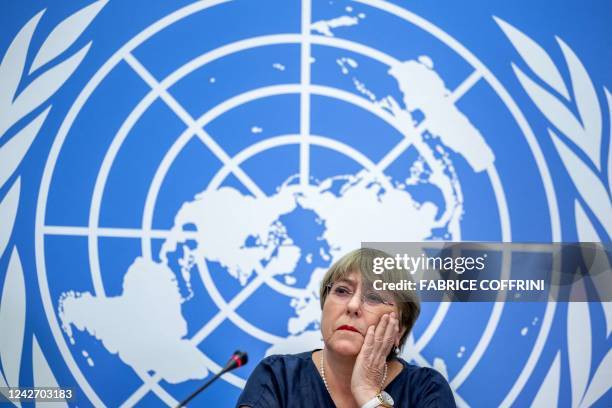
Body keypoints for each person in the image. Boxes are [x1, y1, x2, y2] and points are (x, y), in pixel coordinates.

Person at [237, 248, 456, 407]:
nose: (352, 306)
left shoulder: (427, 389)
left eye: (374, 297)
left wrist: (368, 392)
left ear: (399, 329)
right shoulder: (277, 376)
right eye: (341, 291)